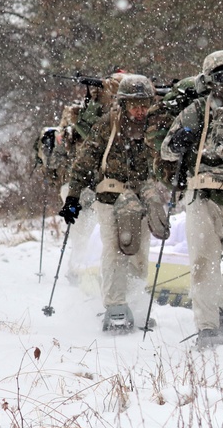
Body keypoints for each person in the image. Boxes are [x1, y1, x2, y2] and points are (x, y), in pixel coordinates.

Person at [160, 50, 223, 348]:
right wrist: (181, 140)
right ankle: (207, 326)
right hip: (202, 191)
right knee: (204, 262)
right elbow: (167, 149)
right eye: (221, 78)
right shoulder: (196, 110)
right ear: (209, 81)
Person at [59, 74, 171, 332]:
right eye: (135, 104)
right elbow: (84, 162)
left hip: (142, 197)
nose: (140, 110)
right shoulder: (107, 125)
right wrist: (73, 198)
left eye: (144, 103)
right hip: (110, 195)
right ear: (124, 103)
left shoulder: (155, 127)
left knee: (139, 253)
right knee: (115, 249)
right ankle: (115, 304)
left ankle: (134, 302)